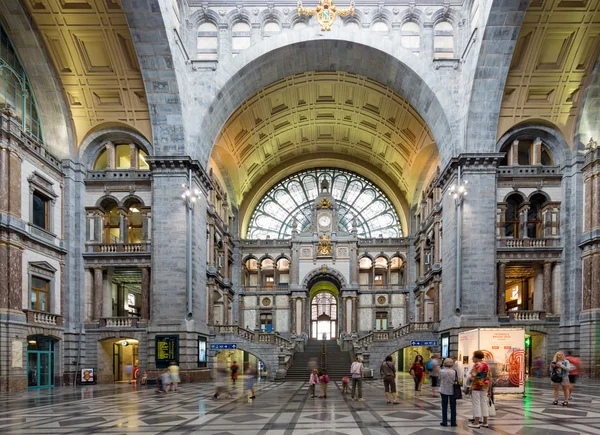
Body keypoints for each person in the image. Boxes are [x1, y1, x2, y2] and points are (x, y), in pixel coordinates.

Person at [468, 350, 491, 429]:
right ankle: (485, 422)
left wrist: (468, 377)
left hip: (476, 386)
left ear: (476, 357)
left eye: (473, 357)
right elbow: (489, 377)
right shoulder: (486, 365)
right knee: (484, 403)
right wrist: (489, 389)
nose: (472, 359)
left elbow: (472, 377)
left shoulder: (476, 365)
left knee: (476, 403)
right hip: (485, 386)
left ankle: (476, 422)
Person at [439, 358, 458, 427]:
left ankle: (444, 422)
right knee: (453, 406)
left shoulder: (441, 371)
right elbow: (456, 379)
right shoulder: (454, 371)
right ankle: (453, 422)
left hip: (444, 389)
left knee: (444, 406)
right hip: (453, 390)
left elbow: (439, 378)